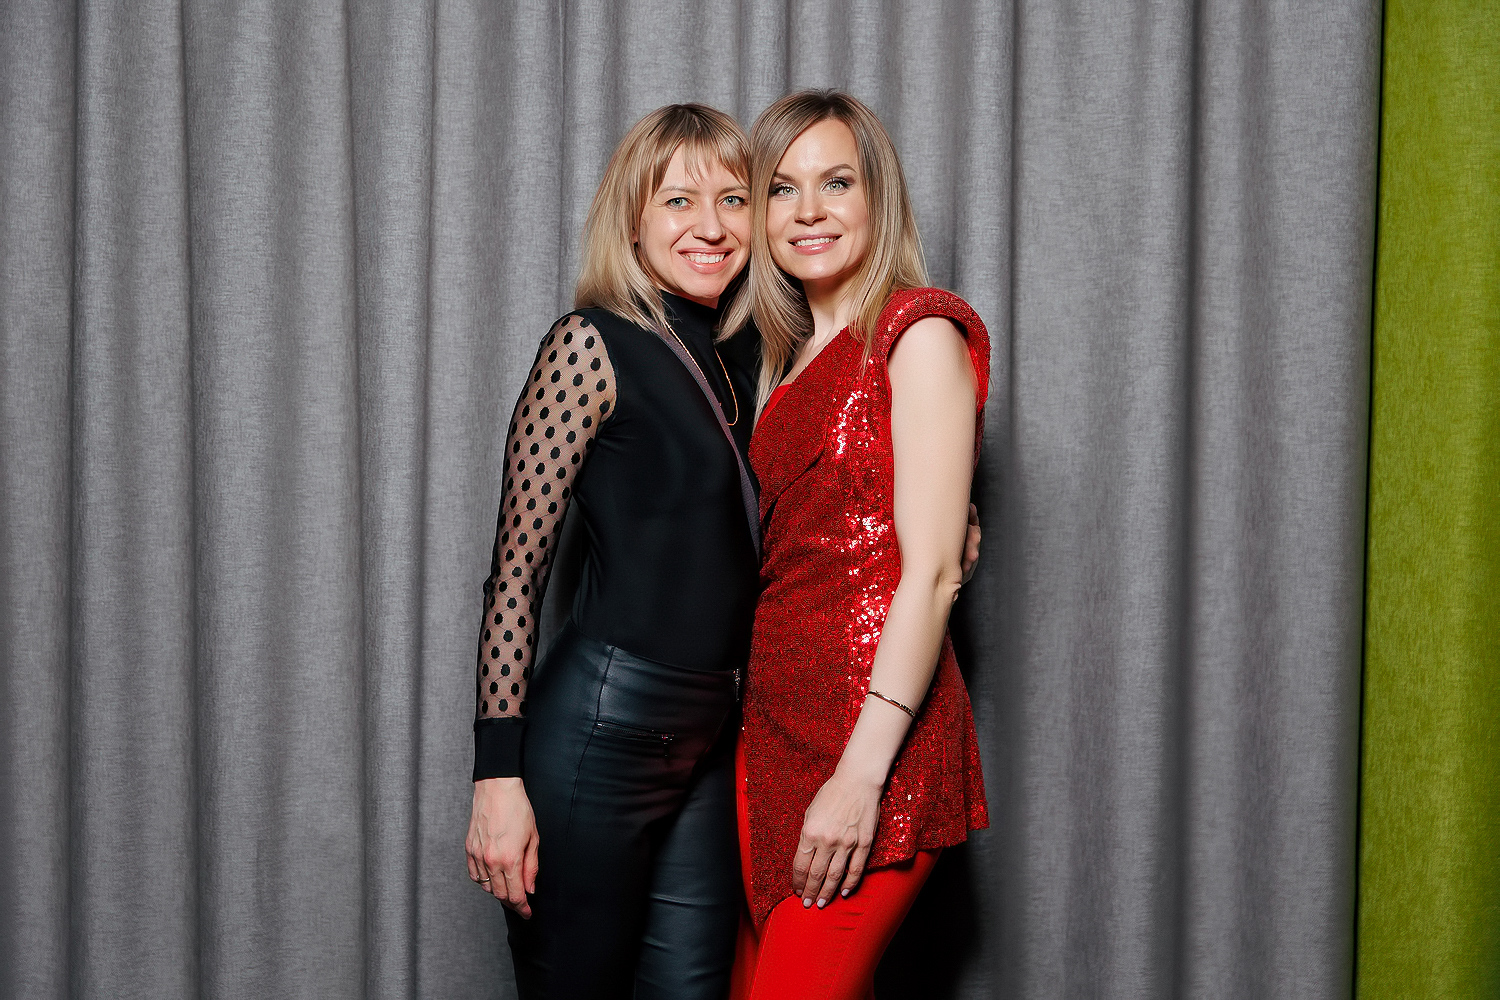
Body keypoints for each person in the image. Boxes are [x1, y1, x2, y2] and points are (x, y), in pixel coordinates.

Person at [463, 103, 762, 1000]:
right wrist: (496, 775)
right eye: (678, 201)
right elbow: (517, 577)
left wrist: (948, 524)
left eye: (734, 200)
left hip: (714, 736)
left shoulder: (753, 359)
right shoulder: (589, 344)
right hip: (601, 731)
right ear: (632, 221)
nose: (711, 226)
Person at [726, 90, 991, 1000]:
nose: (809, 211)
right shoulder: (781, 362)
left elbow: (931, 574)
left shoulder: (918, 331)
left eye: (836, 183)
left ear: (878, 198)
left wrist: (861, 776)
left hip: (873, 735)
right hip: (772, 734)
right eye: (782, 188)